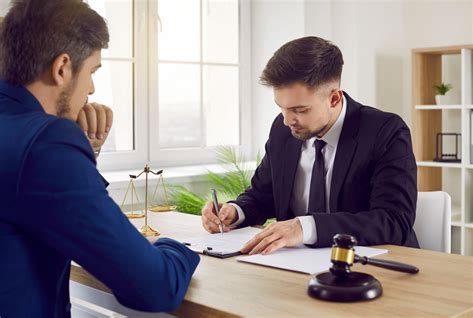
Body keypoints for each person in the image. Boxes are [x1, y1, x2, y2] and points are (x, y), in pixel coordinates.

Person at [0, 1, 199, 317]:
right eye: (92, 71)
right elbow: (156, 288)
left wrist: (85, 151)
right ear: (62, 67)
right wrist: (178, 247)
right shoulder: (45, 144)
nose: (91, 90)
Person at [201, 36, 419, 255]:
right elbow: (262, 195)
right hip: (295, 264)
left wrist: (304, 228)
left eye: (300, 110)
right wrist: (235, 212)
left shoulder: (385, 131)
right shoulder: (282, 130)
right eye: (281, 108)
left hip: (373, 266)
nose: (287, 120)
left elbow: (394, 220)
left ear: (334, 98)